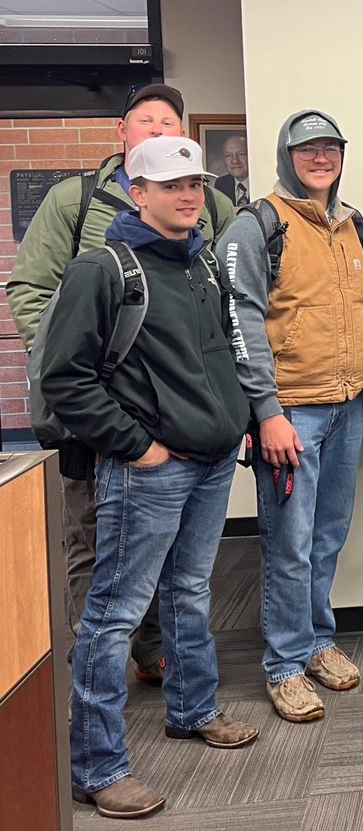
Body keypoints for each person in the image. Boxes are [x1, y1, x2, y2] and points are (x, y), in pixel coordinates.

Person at [41, 135, 257, 820]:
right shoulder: (104, 270)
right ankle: (97, 768)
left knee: (190, 591)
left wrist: (238, 418)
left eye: (194, 183)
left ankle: (191, 709)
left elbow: (219, 351)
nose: (188, 195)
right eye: (170, 185)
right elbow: (64, 379)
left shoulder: (199, 263)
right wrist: (136, 446)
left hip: (214, 459)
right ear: (137, 192)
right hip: (151, 468)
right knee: (112, 615)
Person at [6, 83, 237, 686]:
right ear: (126, 141)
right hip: (118, 434)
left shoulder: (204, 230)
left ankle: (161, 666)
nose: (161, 130)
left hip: (193, 443)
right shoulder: (78, 209)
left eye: (171, 122)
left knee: (182, 580)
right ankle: (94, 701)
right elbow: (37, 302)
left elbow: (218, 328)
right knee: (99, 565)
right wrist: (124, 432)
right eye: (147, 121)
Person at [217, 110, 363, 722]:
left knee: (327, 535)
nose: (320, 158)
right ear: (287, 155)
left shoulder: (353, 227)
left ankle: (316, 641)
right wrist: (266, 412)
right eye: (307, 149)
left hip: (344, 408)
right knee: (288, 542)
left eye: (330, 149)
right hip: (290, 415)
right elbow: (242, 325)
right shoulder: (257, 227)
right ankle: (284, 665)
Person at [215, 135, 250, 205]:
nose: (234, 161)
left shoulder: (261, 182)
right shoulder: (221, 184)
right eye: (228, 155)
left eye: (241, 154)